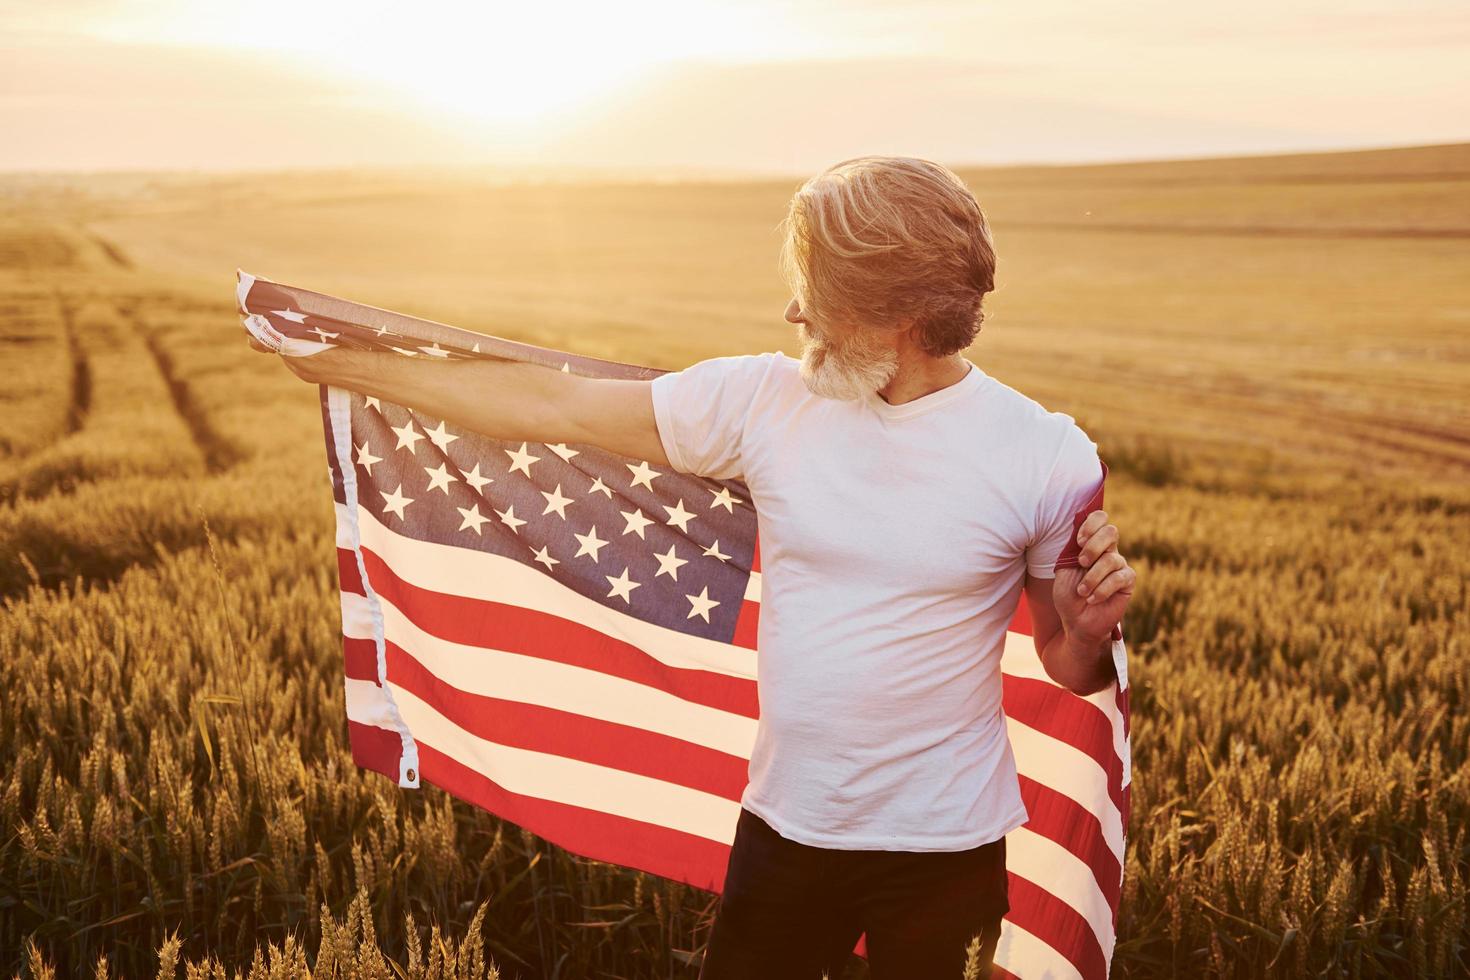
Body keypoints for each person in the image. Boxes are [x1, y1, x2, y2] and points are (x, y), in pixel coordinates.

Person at [250, 155, 1136, 980]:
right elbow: (559, 404)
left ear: (896, 312)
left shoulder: (1044, 456)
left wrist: (1092, 633)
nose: (794, 315)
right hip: (787, 831)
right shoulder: (764, 401)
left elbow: (1068, 664)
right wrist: (344, 362)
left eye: (815, 292)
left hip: (948, 851)